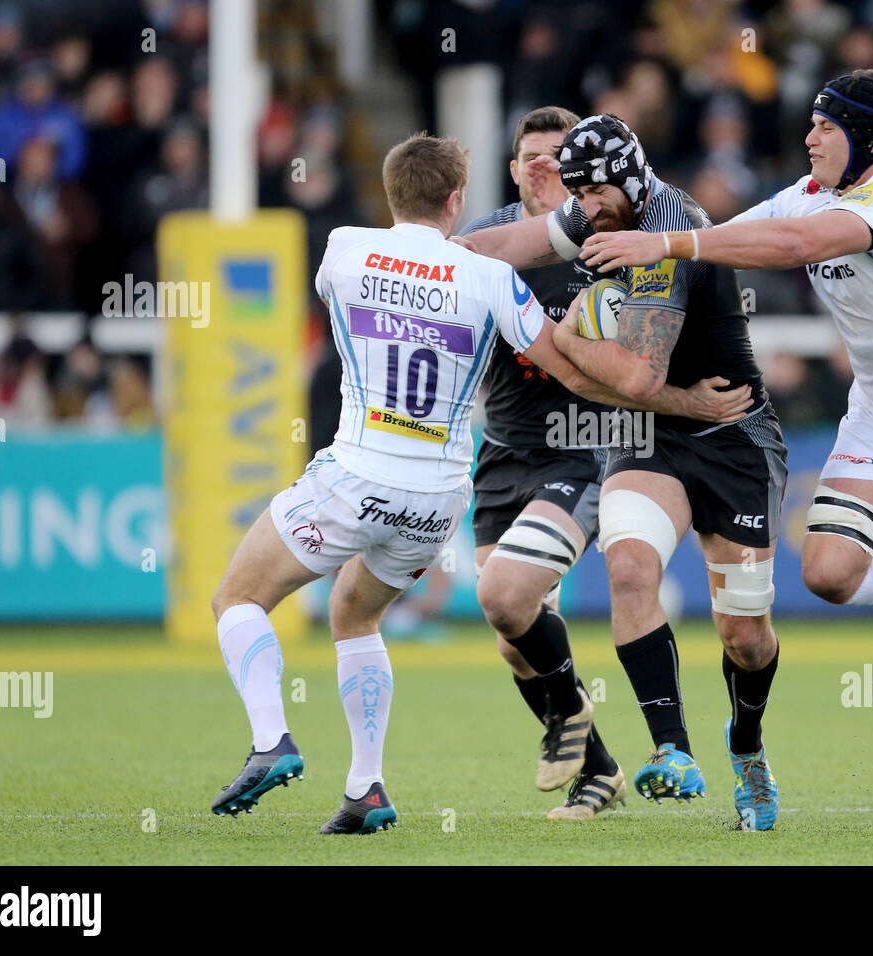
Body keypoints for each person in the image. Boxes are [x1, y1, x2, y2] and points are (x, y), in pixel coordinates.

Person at [206, 133, 738, 835]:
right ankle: (367, 790)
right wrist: (672, 392)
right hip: (441, 496)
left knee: (238, 597)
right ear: (462, 198)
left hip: (360, 473)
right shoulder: (488, 275)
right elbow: (573, 370)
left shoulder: (341, 249)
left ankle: (272, 738)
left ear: (393, 194)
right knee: (357, 614)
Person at [581, 70, 873, 832]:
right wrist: (651, 235)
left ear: (869, 138)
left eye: (826, 127)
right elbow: (737, 239)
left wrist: (661, 236)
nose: (809, 137)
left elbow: (790, 245)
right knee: (825, 572)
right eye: (812, 125)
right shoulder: (813, 192)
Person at [461, 114, 789, 830]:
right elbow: (497, 243)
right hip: (649, 442)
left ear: (632, 177)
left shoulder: (673, 227)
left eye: (594, 190)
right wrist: (427, 254)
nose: (585, 206)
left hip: (734, 437)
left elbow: (639, 378)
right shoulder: (594, 212)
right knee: (631, 569)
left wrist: (563, 330)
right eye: (575, 191)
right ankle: (673, 751)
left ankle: (748, 746)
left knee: (744, 635)